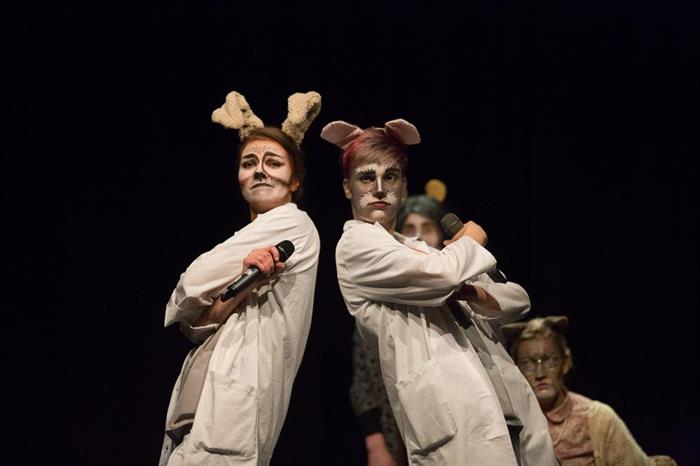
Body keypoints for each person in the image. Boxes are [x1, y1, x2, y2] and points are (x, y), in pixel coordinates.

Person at [322, 119, 557, 465]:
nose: (379, 189)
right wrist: (472, 240)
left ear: (404, 187)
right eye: (366, 177)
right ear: (347, 187)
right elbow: (443, 276)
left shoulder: (420, 250)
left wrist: (473, 293)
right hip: (456, 418)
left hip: (506, 405)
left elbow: (517, 299)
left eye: (390, 176)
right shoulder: (355, 246)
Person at [159, 90, 322, 466]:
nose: (260, 170)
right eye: (249, 163)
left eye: (273, 162)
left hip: (230, 419)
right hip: (201, 409)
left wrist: (206, 299)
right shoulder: (253, 238)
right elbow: (194, 324)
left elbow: (191, 284)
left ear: (295, 181)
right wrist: (226, 297)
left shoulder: (292, 223)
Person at [349, 181, 448, 466]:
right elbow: (365, 381)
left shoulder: (457, 289)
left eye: (427, 228)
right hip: (398, 430)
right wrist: (376, 446)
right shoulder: (382, 297)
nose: (418, 237)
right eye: (410, 228)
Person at [503, 316, 677, 466]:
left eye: (549, 360)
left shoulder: (597, 419)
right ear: (516, 371)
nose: (540, 374)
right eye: (527, 363)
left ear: (565, 363)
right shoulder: (509, 423)